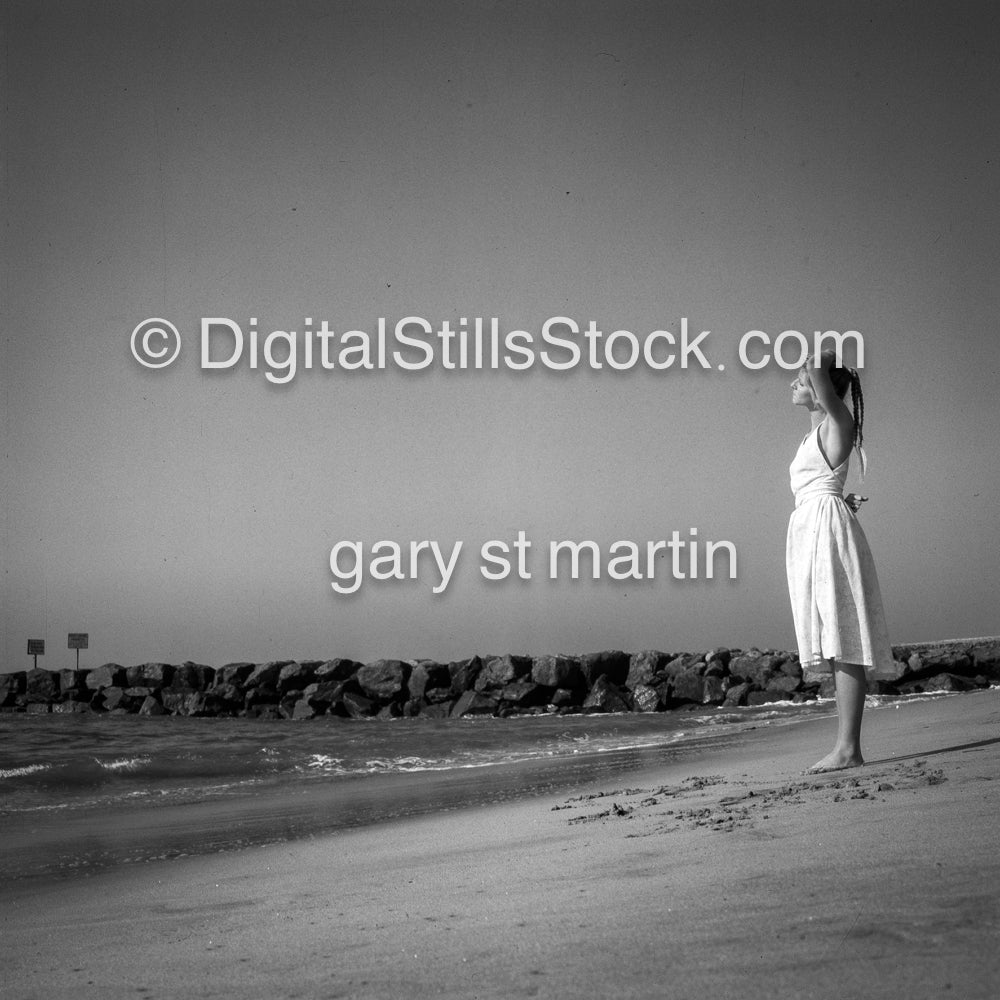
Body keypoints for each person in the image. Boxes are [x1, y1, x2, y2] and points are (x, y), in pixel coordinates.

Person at [786, 350, 895, 772]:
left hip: (825, 531)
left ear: (821, 390)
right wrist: (838, 497)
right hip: (814, 530)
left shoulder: (838, 421)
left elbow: (819, 364)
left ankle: (848, 748)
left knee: (843, 635)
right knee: (834, 636)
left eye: (799, 380)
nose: (793, 385)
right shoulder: (819, 430)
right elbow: (823, 478)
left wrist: (822, 361)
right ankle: (845, 745)